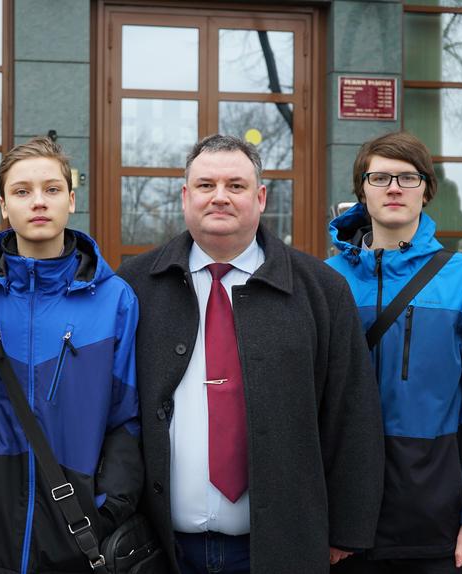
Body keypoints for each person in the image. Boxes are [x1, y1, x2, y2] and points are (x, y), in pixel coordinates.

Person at [116, 134, 385, 573]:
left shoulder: (321, 291)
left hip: (281, 548)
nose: (220, 197)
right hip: (159, 549)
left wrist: (346, 530)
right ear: (185, 197)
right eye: (206, 185)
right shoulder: (133, 286)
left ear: (260, 198)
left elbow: (351, 413)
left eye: (235, 186)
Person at [327, 131, 462, 574]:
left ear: (426, 191)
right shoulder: (325, 280)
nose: (394, 188)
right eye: (380, 177)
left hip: (434, 521)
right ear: (361, 190)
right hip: (342, 524)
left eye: (408, 178)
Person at [0, 136, 143, 573]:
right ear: (4, 206)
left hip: (78, 528)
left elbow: (127, 417)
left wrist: (106, 507)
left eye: (52, 189)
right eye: (22, 191)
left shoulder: (115, 300)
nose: (38, 201)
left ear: (71, 200)